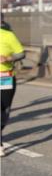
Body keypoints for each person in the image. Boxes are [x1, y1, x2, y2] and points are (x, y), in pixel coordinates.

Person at [0, 20, 26, 155]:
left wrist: (8, 58)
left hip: (5, 78)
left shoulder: (8, 35)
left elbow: (21, 53)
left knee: (4, 110)